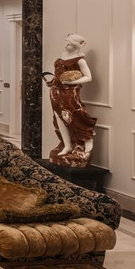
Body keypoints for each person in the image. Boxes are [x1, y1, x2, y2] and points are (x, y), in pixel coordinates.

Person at [43, 33, 97, 168]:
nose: (66, 45)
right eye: (66, 42)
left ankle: (87, 137)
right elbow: (59, 73)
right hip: (55, 90)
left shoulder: (80, 60)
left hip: (69, 92)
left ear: (77, 46)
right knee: (58, 117)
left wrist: (71, 82)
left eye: (70, 44)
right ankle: (67, 145)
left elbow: (88, 77)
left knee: (74, 116)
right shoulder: (63, 54)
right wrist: (52, 82)